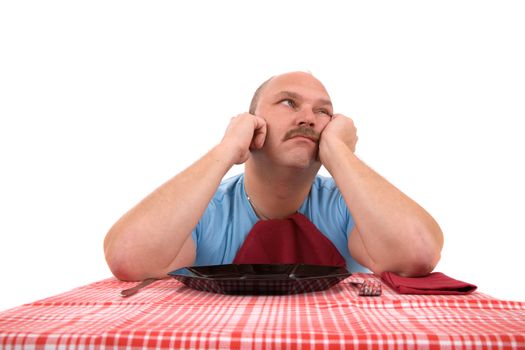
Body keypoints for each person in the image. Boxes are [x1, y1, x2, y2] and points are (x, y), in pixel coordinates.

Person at [103, 71, 444, 282]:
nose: (309, 117)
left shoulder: (347, 205)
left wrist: (338, 154)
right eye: (288, 103)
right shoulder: (205, 206)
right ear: (252, 124)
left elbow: (416, 254)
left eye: (323, 110)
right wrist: (226, 151)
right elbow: (129, 260)